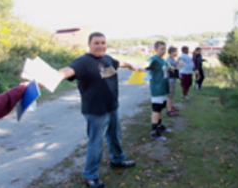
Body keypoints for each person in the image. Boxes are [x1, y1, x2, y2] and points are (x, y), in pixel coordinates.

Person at [58, 32, 137, 188]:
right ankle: (90, 175)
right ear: (89, 44)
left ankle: (117, 160)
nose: (100, 46)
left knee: (115, 135)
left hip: (112, 106)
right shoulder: (83, 62)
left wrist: (131, 65)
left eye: (103, 42)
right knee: (96, 143)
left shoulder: (107, 59)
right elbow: (67, 71)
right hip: (95, 110)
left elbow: (119, 63)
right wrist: (54, 76)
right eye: (97, 43)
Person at [146, 41, 173, 141]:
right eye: (161, 49)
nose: (164, 51)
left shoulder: (163, 60)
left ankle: (159, 126)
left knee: (161, 109)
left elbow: (166, 67)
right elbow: (147, 63)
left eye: (164, 49)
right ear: (155, 49)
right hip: (157, 89)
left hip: (164, 89)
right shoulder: (154, 59)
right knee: (156, 110)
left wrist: (171, 68)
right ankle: (154, 132)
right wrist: (143, 65)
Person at [166, 46, 179, 116]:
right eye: (176, 51)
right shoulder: (169, 60)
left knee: (171, 95)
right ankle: (169, 110)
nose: (177, 53)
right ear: (172, 52)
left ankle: (171, 107)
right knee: (169, 95)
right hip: (170, 80)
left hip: (173, 79)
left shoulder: (173, 59)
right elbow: (167, 69)